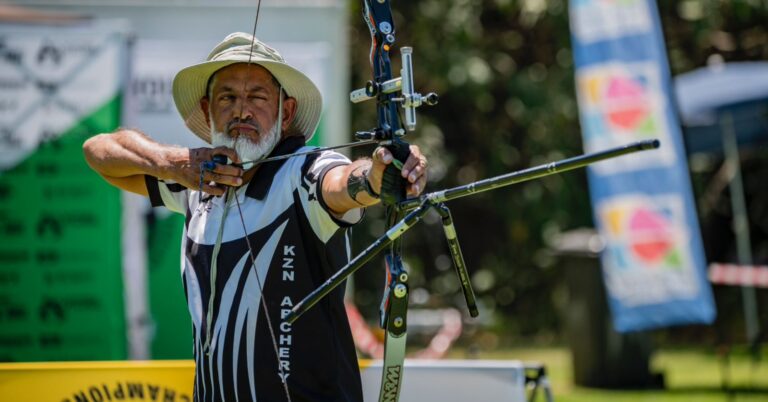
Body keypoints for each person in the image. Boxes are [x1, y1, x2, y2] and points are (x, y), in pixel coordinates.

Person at [83, 32, 427, 402]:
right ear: (206, 109)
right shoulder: (198, 183)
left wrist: (380, 176)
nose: (241, 110)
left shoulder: (304, 172)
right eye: (227, 97)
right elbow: (98, 152)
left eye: (257, 97)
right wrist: (176, 164)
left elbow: (344, 183)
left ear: (287, 111)